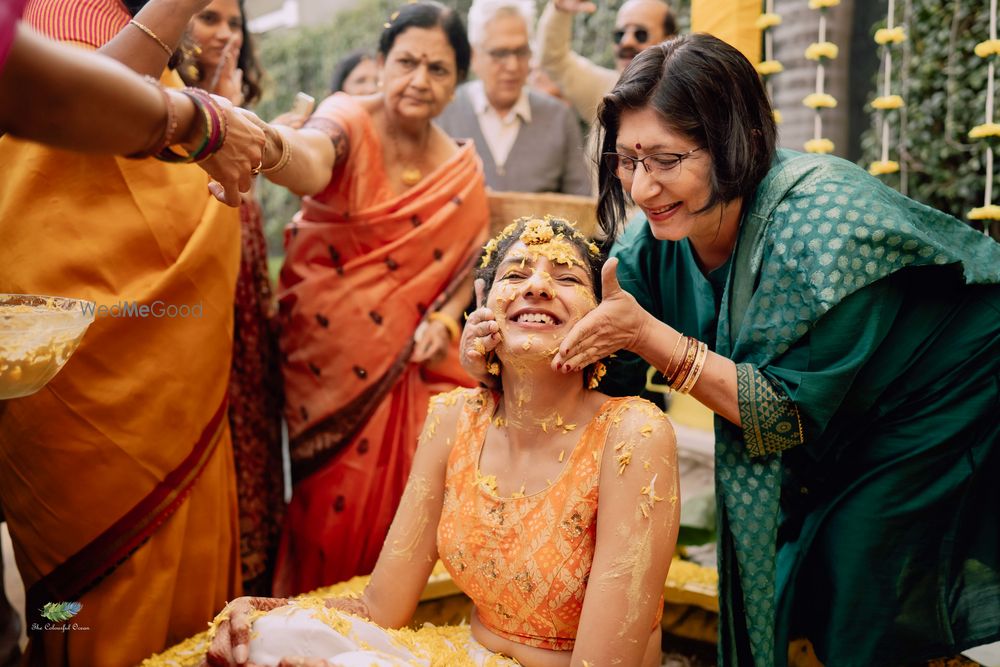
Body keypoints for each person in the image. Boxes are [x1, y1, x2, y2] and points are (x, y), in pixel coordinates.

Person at [466, 33, 1000, 667]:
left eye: (666, 159)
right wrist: (499, 365)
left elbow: (781, 415)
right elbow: (601, 364)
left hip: (941, 392)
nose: (641, 189)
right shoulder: (653, 241)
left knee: (859, 571)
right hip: (839, 410)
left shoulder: (819, 222)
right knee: (796, 570)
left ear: (733, 143)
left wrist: (652, 337)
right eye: (627, 160)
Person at [205, 217, 680, 667]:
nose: (537, 286)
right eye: (515, 273)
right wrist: (268, 610)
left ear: (599, 317)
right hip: (467, 655)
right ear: (483, 304)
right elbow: (379, 607)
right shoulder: (453, 418)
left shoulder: (632, 435)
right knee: (268, 638)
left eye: (568, 278)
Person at [0, 0, 262, 663]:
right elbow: (56, 129)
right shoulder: (62, 14)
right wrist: (200, 120)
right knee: (82, 609)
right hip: (83, 398)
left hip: (177, 389)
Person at [244, 1, 490, 596]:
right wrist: (275, 145)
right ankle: (314, 627)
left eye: (438, 68)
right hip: (333, 366)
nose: (419, 80)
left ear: (457, 79)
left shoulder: (460, 167)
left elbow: (471, 255)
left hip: (421, 364)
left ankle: (400, 633)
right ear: (381, 63)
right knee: (331, 501)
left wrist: (445, 314)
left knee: (430, 484)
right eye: (406, 62)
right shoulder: (347, 117)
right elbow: (310, 159)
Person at [184, 0, 285, 598]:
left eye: (234, 22)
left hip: (244, 313)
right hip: (189, 316)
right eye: (208, 17)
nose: (224, 34)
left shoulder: (241, 114)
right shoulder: (147, 116)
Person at [435, 0, 590, 195]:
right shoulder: (442, 112)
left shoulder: (558, 119)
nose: (513, 66)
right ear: (473, 56)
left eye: (521, 52)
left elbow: (581, 206)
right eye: (500, 53)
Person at [535, 0, 676, 126]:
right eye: (619, 34)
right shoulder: (604, 91)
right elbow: (554, 60)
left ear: (669, 40)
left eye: (640, 34)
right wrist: (560, 9)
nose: (626, 42)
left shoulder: (684, 96)